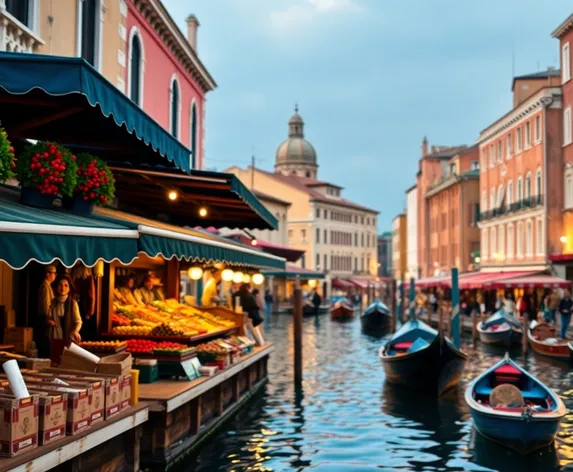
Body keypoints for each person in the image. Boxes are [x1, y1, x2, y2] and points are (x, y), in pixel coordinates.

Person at [47, 275, 82, 346]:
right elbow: (48, 317)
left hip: (70, 340)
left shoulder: (73, 303)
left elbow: (78, 322)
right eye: (60, 285)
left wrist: (75, 331)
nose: (63, 288)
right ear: (56, 287)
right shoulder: (52, 302)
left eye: (66, 285)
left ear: (69, 288)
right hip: (55, 340)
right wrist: (48, 321)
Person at [37, 264, 57, 357]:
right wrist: (48, 319)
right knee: (46, 346)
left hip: (47, 320)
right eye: (54, 273)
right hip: (45, 320)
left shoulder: (47, 285)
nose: (55, 275)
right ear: (48, 274)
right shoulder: (45, 286)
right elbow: (45, 306)